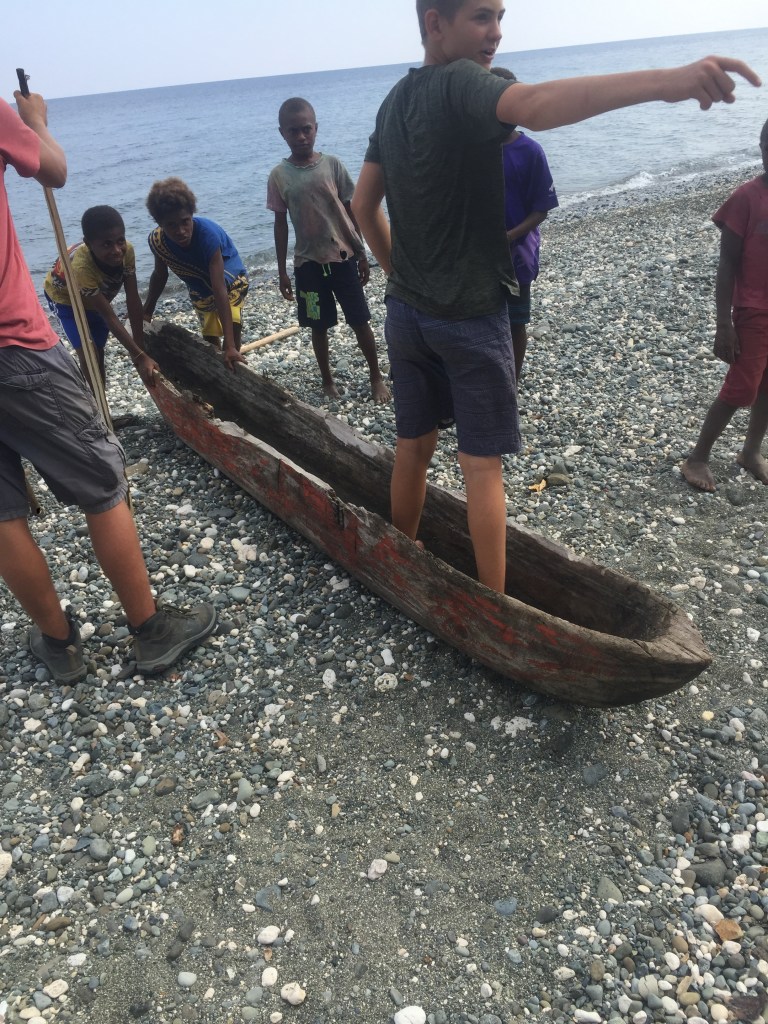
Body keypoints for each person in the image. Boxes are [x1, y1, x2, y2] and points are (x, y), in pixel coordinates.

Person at [351, 0, 760, 594]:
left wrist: (402, 278)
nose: (496, 32)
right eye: (480, 17)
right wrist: (667, 82)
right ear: (434, 22)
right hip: (469, 316)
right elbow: (538, 107)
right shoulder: (467, 84)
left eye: (500, 15)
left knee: (413, 446)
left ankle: (400, 559)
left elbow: (364, 207)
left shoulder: (394, 101)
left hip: (407, 316)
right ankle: (494, 607)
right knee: (480, 465)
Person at [0, 90, 217, 682]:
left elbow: (132, 304)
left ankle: (57, 641)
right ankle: (150, 630)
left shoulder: (123, 255)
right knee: (103, 477)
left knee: (2, 510)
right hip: (20, 335)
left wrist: (145, 349)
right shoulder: (80, 267)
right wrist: (35, 121)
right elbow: (53, 168)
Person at [267, 97, 390, 403]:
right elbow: (280, 225)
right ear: (282, 133)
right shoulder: (279, 176)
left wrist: (362, 253)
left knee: (360, 319)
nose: (301, 137)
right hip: (307, 265)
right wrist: (283, 270)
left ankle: (376, 377)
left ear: (316, 128)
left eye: (306, 129)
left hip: (342, 258)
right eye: (293, 131)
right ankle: (327, 381)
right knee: (317, 325)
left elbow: (353, 210)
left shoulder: (332, 165)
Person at [681, 118, 768, 492]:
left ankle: (750, 451)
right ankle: (697, 457)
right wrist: (724, 324)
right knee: (741, 388)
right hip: (752, 311)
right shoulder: (746, 198)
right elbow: (727, 264)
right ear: (763, 149)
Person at [43, 204, 158, 400]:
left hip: (96, 296)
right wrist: (139, 356)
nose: (116, 250)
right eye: (106, 244)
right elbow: (109, 316)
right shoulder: (81, 267)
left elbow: (132, 299)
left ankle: (102, 408)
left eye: (119, 241)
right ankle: (97, 412)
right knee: (89, 354)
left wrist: (139, 350)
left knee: (99, 349)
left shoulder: (127, 251)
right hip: (66, 300)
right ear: (88, 244)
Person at [490, 66, 558, 379]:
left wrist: (509, 236)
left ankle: (512, 383)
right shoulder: (473, 151)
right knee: (485, 321)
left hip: (518, 255)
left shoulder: (530, 151)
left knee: (517, 321)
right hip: (479, 256)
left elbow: (541, 208)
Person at [143, 177, 247, 371]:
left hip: (228, 278)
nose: (181, 231)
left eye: (185, 222)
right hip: (198, 285)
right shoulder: (157, 241)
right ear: (159, 223)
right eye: (171, 225)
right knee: (209, 336)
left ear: (192, 214)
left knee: (232, 325)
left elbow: (219, 288)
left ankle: (234, 359)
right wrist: (147, 311)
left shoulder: (207, 237)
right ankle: (215, 371)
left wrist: (231, 346)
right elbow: (159, 275)